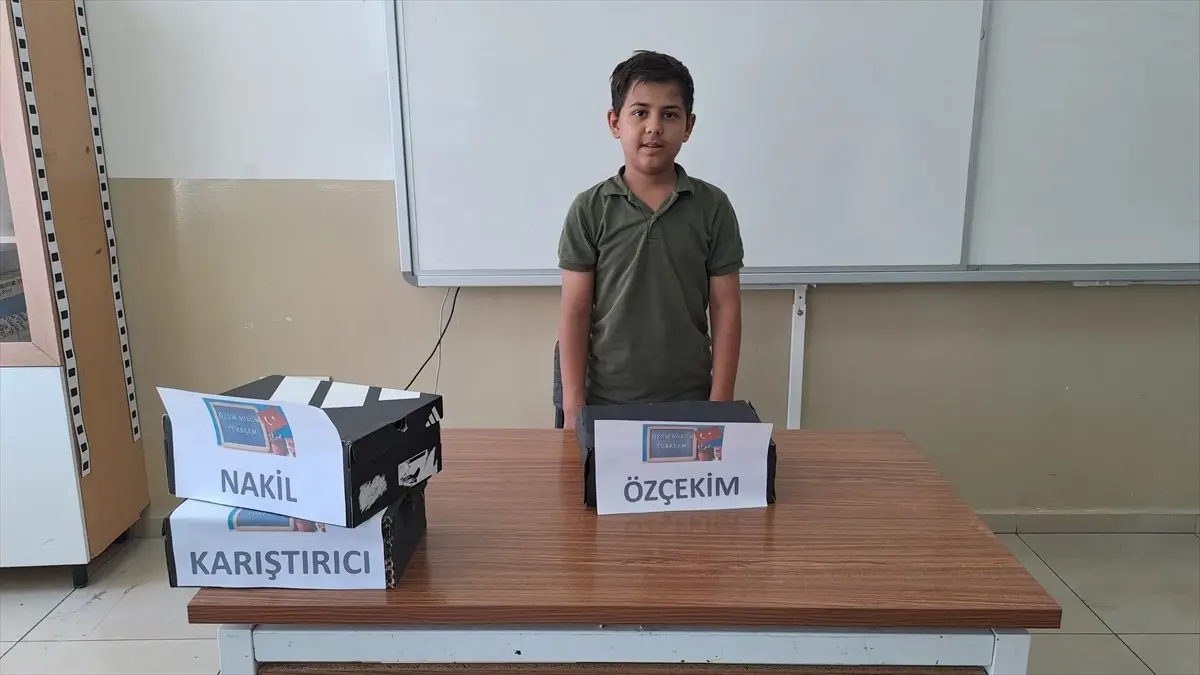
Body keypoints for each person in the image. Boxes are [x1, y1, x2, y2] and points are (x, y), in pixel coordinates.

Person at [557, 50, 744, 429]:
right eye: (640, 112)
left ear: (689, 126)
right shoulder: (589, 208)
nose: (654, 127)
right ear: (615, 122)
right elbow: (575, 312)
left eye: (669, 115)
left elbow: (726, 308)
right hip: (605, 401)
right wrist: (575, 404)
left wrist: (720, 401)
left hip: (690, 402)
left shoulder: (712, 206)